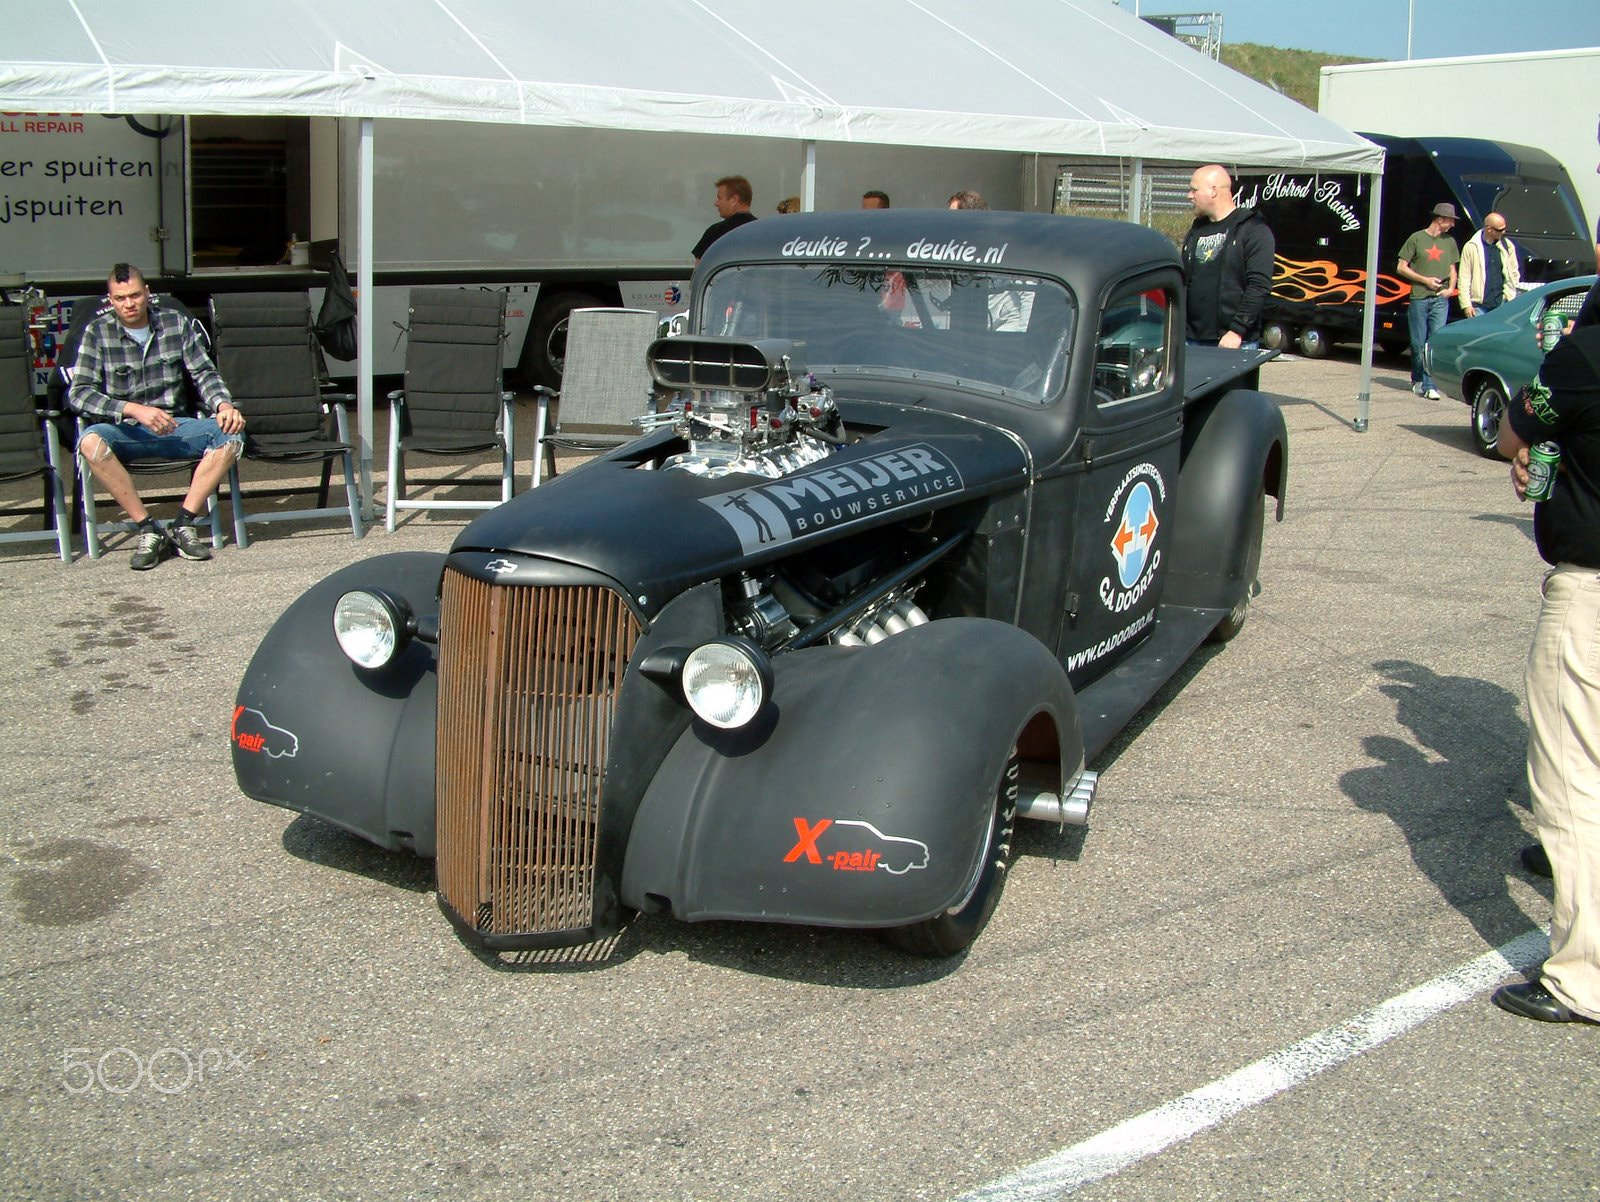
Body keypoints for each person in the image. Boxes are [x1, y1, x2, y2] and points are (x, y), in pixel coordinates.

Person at [1491, 319, 1600, 1026]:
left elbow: (1510, 431)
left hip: (1592, 589)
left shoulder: (1587, 352)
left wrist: (1534, 446)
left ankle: (1583, 977)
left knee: (1572, 783)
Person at [69, 263, 245, 570]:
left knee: (231, 434)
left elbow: (204, 373)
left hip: (175, 427)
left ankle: (184, 523)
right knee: (90, 443)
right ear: (110, 300)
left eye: (135, 295)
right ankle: (147, 528)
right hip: (126, 431)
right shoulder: (97, 332)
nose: (129, 304)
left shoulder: (174, 323)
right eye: (120, 298)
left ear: (148, 293)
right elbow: (79, 392)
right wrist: (132, 409)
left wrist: (222, 405)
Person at [1180, 164, 1275, 350]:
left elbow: (1259, 286)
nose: (1189, 195)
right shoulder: (1197, 230)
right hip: (1192, 339)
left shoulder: (1252, 229)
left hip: (1233, 342)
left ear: (1213, 191)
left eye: (1194, 190)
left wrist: (1237, 330)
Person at [1396, 202, 1460, 399]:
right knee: (1417, 343)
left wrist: (1450, 289)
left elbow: (1452, 269)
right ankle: (1417, 378)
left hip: (1440, 299)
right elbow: (1401, 267)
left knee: (1434, 342)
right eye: (1450, 220)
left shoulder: (1450, 241)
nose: (1452, 225)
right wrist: (1425, 281)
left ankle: (1430, 384)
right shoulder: (1416, 238)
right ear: (1440, 219)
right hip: (1419, 298)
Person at [1457, 212, 1520, 318]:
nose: (1503, 232)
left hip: (1502, 303)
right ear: (1489, 229)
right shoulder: (1471, 247)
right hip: (1478, 306)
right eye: (1500, 230)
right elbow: (1464, 277)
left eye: (1504, 228)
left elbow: (1514, 271)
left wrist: (1509, 295)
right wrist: (1466, 305)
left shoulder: (1507, 245)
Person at [692, 176, 757, 264]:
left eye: (719, 198)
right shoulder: (763, 233)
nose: (716, 203)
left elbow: (699, 272)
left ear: (734, 200)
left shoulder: (715, 233)